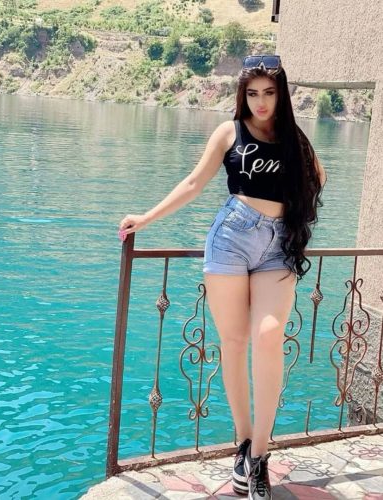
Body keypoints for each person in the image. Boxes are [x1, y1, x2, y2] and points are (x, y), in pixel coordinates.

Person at [118, 54, 327, 500]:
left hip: (279, 245)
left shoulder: (295, 138)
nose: (261, 102)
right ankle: (244, 445)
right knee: (233, 342)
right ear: (242, 95)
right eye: (252, 94)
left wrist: (294, 207)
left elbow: (318, 177)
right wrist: (146, 218)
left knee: (269, 336)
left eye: (269, 93)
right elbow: (194, 183)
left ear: (281, 95)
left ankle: (260, 456)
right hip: (231, 238)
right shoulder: (229, 132)